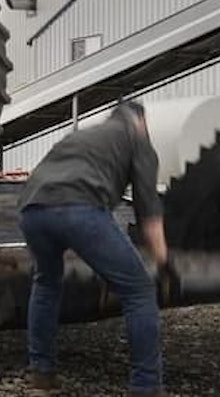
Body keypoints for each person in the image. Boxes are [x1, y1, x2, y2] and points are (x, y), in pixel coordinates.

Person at [16, 100, 169, 396]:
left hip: (31, 210)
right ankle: (146, 386)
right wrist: (163, 261)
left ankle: (41, 373)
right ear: (140, 122)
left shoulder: (81, 135)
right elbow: (148, 207)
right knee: (139, 291)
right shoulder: (137, 139)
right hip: (80, 210)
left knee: (46, 282)